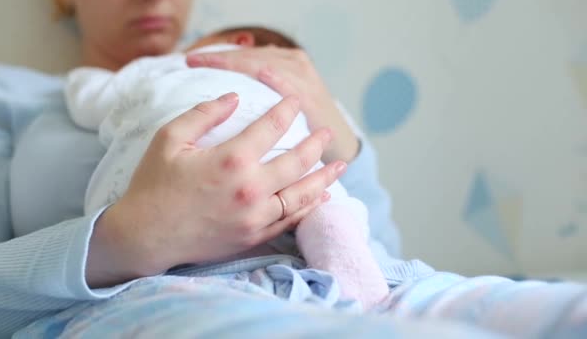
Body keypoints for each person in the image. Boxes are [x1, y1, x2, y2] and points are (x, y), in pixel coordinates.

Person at [0, 0, 584, 338]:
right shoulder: (3, 95)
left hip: (369, 284)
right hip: (150, 300)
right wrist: (123, 240)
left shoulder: (263, 68)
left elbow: (374, 252)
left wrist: (342, 141)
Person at [65, 25, 389, 309]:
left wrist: (77, 79)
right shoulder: (304, 90)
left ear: (242, 41)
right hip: (291, 161)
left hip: (165, 176)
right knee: (328, 204)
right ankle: (359, 286)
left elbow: (90, 98)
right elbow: (337, 132)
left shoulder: (171, 65)